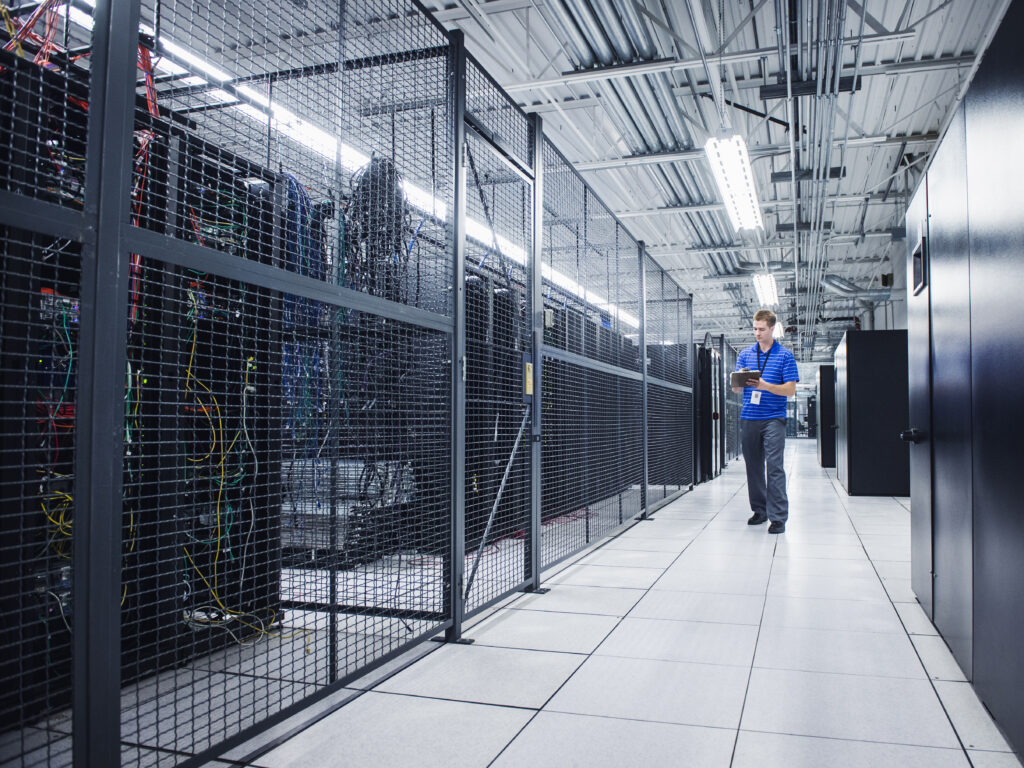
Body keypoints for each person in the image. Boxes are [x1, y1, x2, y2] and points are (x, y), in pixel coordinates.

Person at [732, 309, 799, 533]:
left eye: (761, 329)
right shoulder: (745, 355)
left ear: (772, 329)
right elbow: (737, 388)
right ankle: (760, 511)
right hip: (750, 417)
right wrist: (737, 384)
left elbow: (790, 390)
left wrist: (765, 386)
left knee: (774, 466)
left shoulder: (785, 355)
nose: (757, 333)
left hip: (773, 418)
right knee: (753, 466)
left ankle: (778, 517)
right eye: (755, 329)